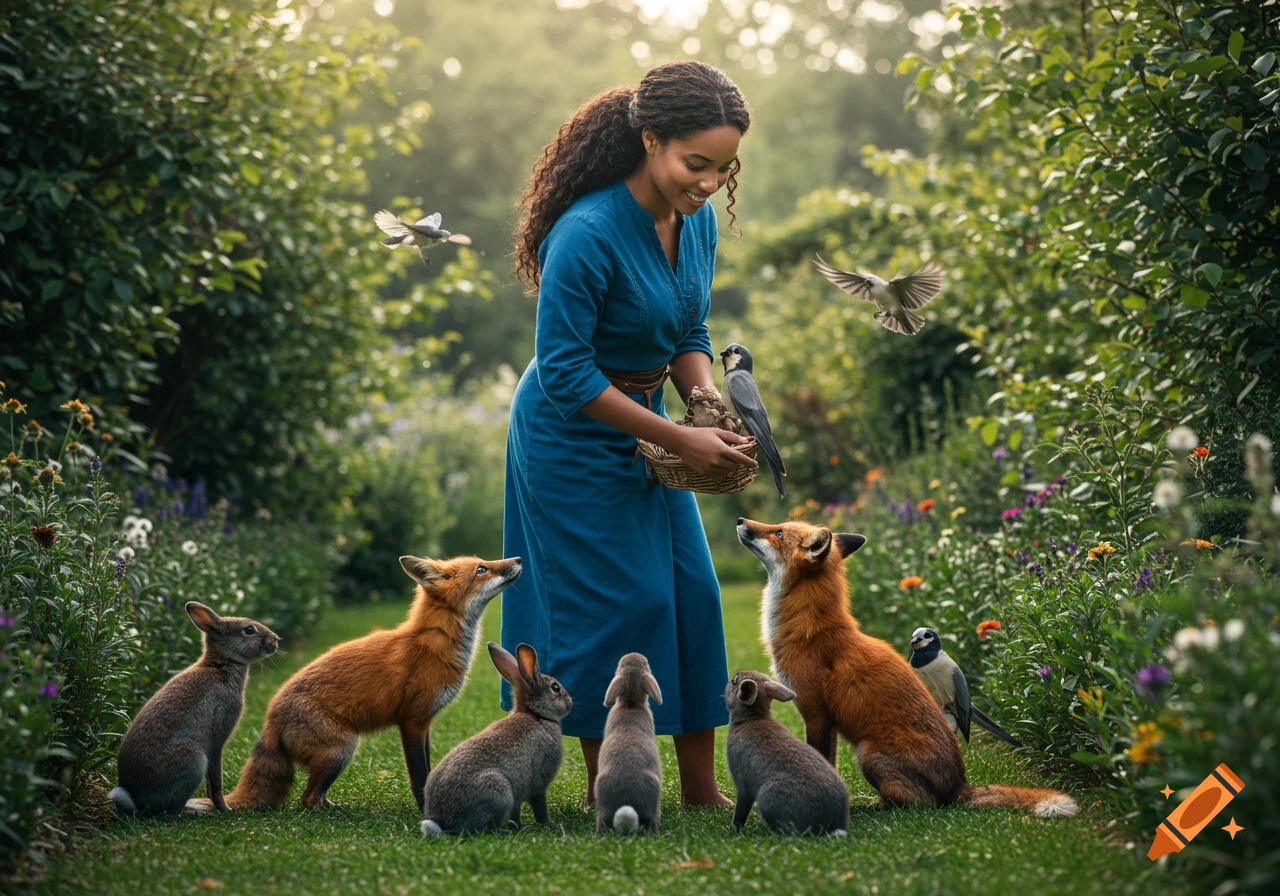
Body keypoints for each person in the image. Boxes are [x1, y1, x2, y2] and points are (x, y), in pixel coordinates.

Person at [503, 59, 757, 809]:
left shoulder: (696, 221)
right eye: (696, 163)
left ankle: (701, 789)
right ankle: (608, 784)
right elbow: (567, 374)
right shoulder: (584, 233)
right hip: (569, 434)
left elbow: (689, 326)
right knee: (611, 605)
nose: (709, 182)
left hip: (651, 425)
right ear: (651, 140)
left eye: (724, 167)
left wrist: (705, 403)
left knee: (691, 594)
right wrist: (679, 440)